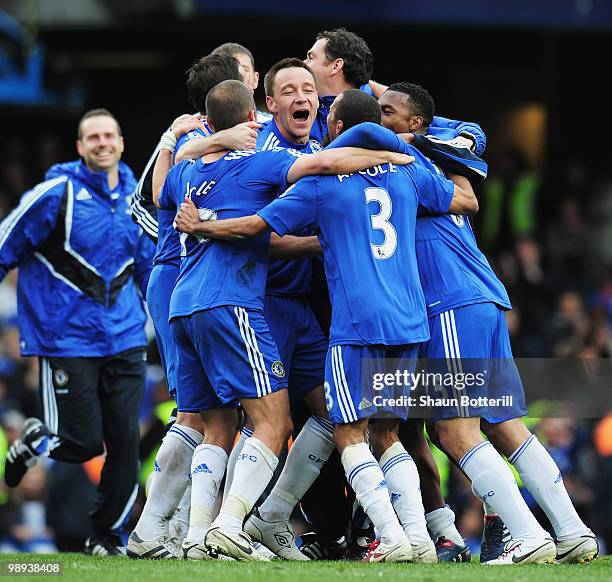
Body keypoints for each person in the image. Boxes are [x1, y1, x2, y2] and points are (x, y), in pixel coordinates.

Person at [174, 89, 478, 563]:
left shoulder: (324, 182)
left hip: (356, 323)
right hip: (412, 320)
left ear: (336, 128)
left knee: (348, 433)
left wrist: (202, 227)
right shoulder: (410, 171)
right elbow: (461, 199)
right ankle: (417, 538)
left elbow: (258, 228)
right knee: (388, 433)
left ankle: (392, 535)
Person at [378, 82, 598, 564]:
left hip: (450, 302)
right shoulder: (436, 158)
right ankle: (572, 529)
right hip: (482, 298)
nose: (378, 115)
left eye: (387, 110)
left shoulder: (399, 163)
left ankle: (526, 534)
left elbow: (468, 192)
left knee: (455, 431)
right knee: (502, 422)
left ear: (415, 123)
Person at [0, 108, 154, 556]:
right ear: (80, 148)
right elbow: (6, 242)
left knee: (125, 440)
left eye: (110, 135)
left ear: (122, 143)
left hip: (125, 337)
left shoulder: (137, 199)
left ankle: (106, 536)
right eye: (93, 137)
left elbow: (149, 267)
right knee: (83, 443)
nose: (103, 142)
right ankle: (35, 438)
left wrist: (164, 326)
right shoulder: (56, 192)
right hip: (66, 339)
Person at [127, 52, 261, 560]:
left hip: (201, 281)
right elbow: (160, 194)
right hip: (181, 277)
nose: (257, 76)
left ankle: (185, 530)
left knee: (215, 413)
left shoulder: (208, 136)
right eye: (250, 70)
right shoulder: (192, 135)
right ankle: (152, 530)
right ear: (232, 85)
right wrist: (189, 141)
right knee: (195, 413)